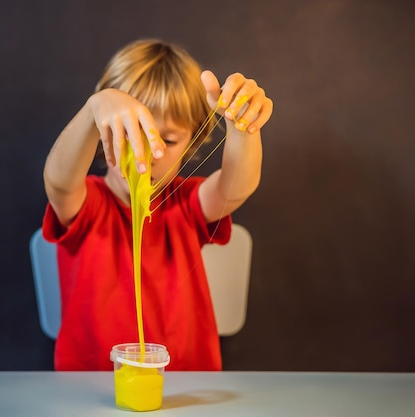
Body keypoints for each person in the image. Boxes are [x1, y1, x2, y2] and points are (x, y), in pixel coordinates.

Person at [42, 39, 273, 371]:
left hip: (187, 387)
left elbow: (237, 187)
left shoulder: (187, 204)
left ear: (193, 140)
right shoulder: (88, 204)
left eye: (165, 140)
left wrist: (242, 125)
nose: (145, 155)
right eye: (129, 132)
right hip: (91, 387)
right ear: (102, 131)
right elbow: (59, 182)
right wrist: (94, 109)